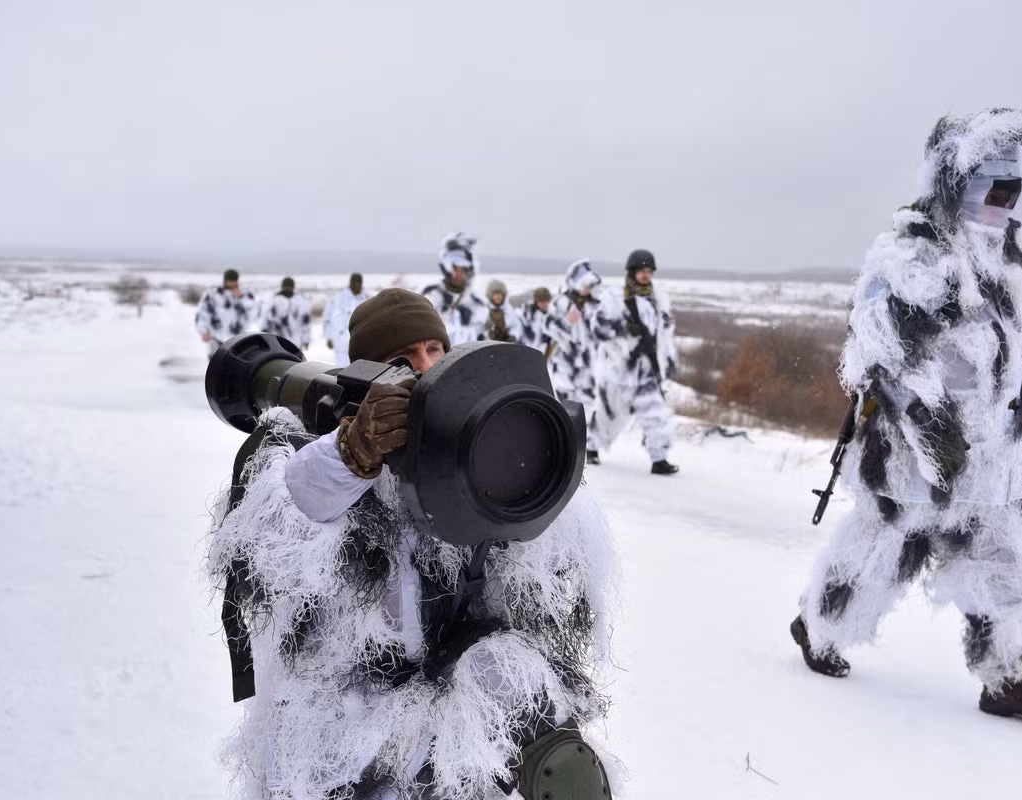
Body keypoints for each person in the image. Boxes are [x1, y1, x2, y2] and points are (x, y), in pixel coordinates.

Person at [206, 288, 615, 800]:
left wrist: (534, 473)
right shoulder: (310, 457)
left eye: (434, 350)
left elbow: (545, 570)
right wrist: (353, 455)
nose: (424, 368)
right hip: (343, 721)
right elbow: (279, 540)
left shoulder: (469, 452)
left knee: (539, 717)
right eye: (402, 360)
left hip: (448, 708)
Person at [790, 108, 1022, 720]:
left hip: (991, 464)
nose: (1002, 204)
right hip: (913, 459)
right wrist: (928, 426)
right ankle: (819, 628)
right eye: (993, 189)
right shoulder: (914, 255)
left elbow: (1009, 359)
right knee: (882, 553)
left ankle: (1008, 677)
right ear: (956, 184)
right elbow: (879, 352)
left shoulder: (1002, 262)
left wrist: (1016, 431)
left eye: (1012, 192)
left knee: (1008, 561)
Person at [588, 249, 680, 475]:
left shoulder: (659, 298)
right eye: (641, 271)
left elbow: (665, 334)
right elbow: (597, 329)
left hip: (647, 371)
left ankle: (659, 459)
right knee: (608, 416)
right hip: (618, 371)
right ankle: (590, 448)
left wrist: (669, 360)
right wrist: (622, 328)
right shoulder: (614, 297)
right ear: (632, 272)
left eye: (649, 271)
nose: (646, 275)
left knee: (657, 415)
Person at [543, 260, 619, 465]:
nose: (586, 290)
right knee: (565, 405)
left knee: (587, 408)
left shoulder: (597, 306)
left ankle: (587, 448)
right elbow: (549, 327)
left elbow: (605, 333)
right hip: (566, 362)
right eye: (583, 285)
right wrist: (568, 322)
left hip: (588, 364)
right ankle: (563, 446)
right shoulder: (561, 302)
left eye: (589, 286)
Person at [422, 232, 487, 345]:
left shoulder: (477, 303)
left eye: (464, 269)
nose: (459, 273)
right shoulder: (432, 295)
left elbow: (484, 337)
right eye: (455, 268)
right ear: (446, 267)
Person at [196, 268, 258, 358]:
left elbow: (254, 312)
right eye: (230, 281)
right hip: (216, 337)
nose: (232, 284)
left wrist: (241, 297)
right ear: (225, 281)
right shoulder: (213, 294)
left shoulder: (245, 294)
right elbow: (203, 313)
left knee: (236, 365)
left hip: (237, 339)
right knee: (215, 364)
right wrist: (203, 330)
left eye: (234, 281)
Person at [323, 273, 369, 366]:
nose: (356, 285)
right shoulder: (337, 299)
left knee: (358, 370)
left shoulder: (367, 300)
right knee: (341, 370)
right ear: (350, 283)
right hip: (340, 343)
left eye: (358, 283)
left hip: (359, 343)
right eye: (354, 282)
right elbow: (327, 318)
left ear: (361, 284)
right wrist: (328, 337)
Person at [261, 276, 312, 350]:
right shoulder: (273, 300)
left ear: (293, 287)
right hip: (277, 341)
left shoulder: (301, 301)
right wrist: (264, 336)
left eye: (290, 286)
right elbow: (265, 319)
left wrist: (306, 340)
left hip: (296, 342)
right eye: (286, 286)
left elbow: (306, 323)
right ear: (282, 287)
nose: (288, 288)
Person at [520, 287, 555, 354]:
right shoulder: (528, 313)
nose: (544, 304)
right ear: (536, 301)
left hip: (546, 351)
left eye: (546, 301)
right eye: (542, 301)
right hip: (529, 350)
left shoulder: (552, 314)